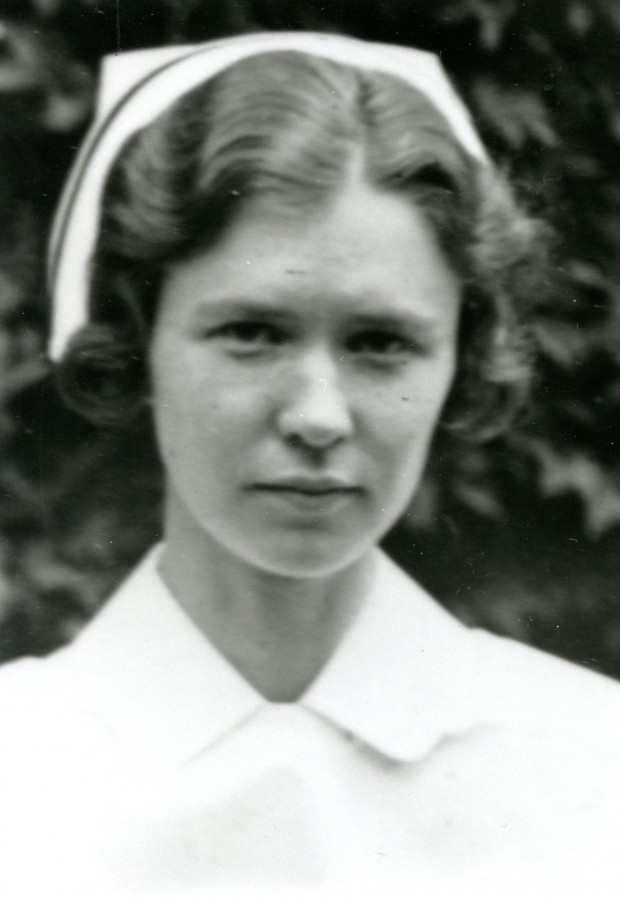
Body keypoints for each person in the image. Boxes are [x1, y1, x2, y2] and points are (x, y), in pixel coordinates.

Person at [0, 30, 619, 899]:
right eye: (251, 332)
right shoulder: (17, 766)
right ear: (137, 341)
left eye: (382, 343)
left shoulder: (593, 766)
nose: (319, 416)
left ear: (460, 362)